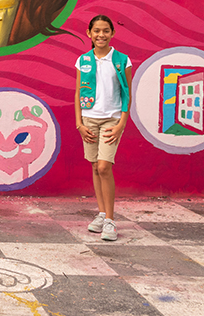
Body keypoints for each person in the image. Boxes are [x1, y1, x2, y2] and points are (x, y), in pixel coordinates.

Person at [75, 14, 132, 241]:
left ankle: (110, 220)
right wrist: (79, 123)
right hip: (89, 120)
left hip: (111, 121)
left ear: (112, 33)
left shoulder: (121, 60)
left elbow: (127, 92)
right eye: (96, 30)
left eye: (106, 30)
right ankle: (100, 214)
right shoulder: (83, 60)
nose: (101, 35)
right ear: (89, 33)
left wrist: (121, 124)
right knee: (94, 167)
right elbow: (78, 92)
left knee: (104, 167)